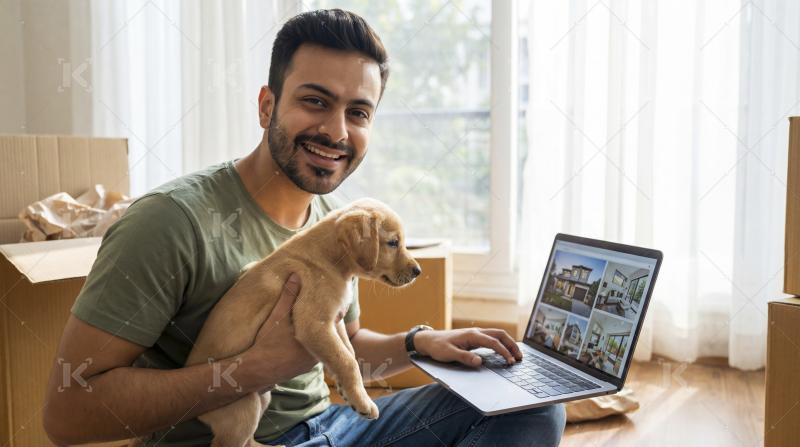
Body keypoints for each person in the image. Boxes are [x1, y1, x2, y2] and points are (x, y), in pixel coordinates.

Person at [43, 9, 565, 446]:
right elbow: (66, 414)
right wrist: (254, 370)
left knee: (531, 407)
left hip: (332, 428)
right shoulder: (169, 221)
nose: (336, 132)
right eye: (315, 101)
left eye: (358, 112)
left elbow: (345, 344)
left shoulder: (333, 220)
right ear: (267, 105)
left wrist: (418, 343)